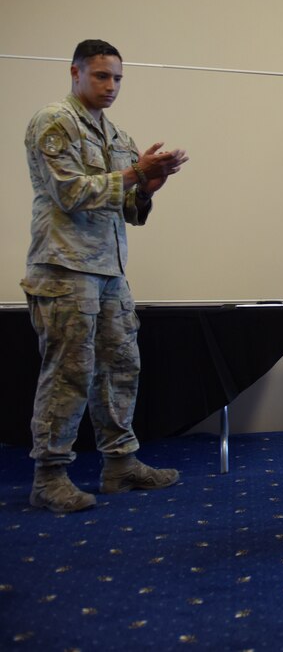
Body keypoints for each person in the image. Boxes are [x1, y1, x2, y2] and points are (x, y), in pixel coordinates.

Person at [22, 39, 190, 513]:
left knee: (120, 367)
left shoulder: (116, 135)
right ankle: (49, 476)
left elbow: (129, 210)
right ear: (74, 73)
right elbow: (69, 193)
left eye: (117, 77)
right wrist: (135, 174)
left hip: (109, 270)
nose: (111, 86)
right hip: (64, 269)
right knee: (68, 374)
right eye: (101, 76)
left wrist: (148, 187)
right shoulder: (54, 122)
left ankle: (121, 464)